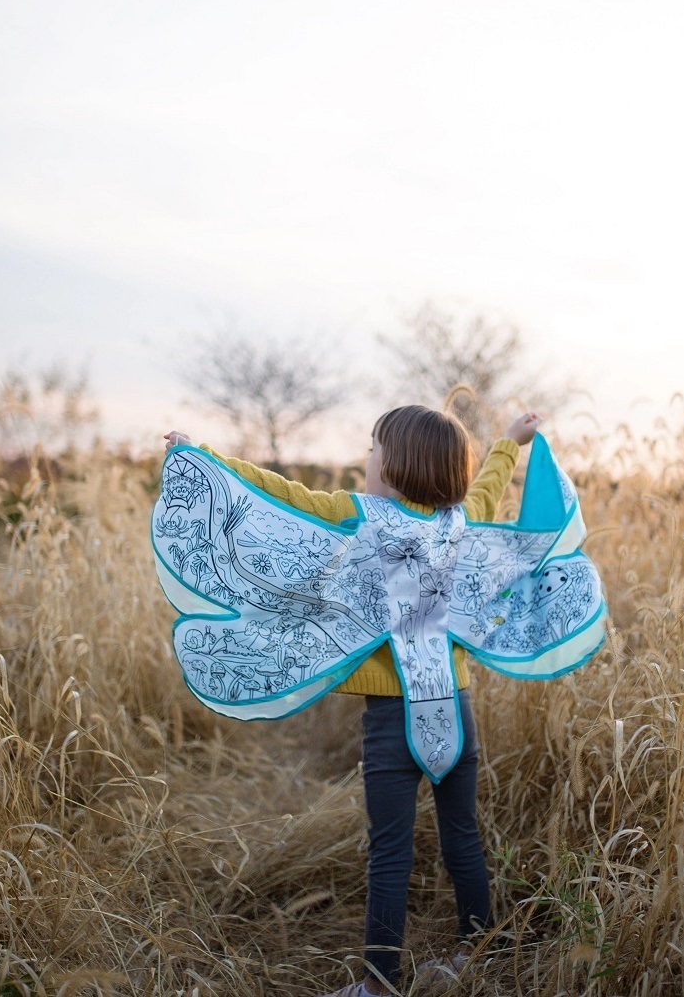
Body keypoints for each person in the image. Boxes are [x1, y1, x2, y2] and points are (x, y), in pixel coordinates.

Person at [164, 405, 540, 996]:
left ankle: (377, 985)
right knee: (461, 834)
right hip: (456, 710)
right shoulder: (461, 524)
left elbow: (284, 497)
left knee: (389, 852)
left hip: (392, 722)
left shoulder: (357, 517)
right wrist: (510, 443)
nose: (366, 459)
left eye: (372, 449)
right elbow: (491, 488)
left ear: (393, 467)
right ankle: (478, 945)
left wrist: (205, 459)